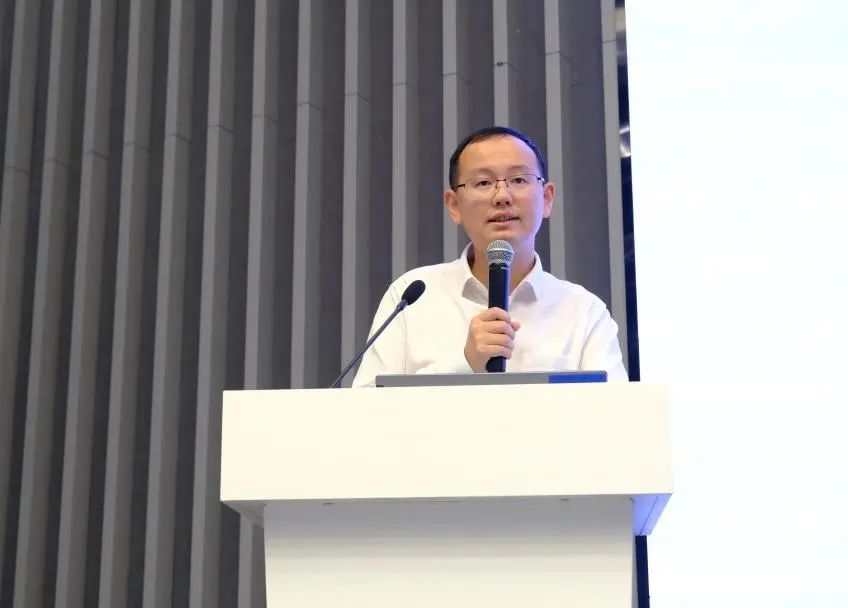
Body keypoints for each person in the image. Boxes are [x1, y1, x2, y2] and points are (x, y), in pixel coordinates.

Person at [352, 126, 627, 387]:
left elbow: (615, 412)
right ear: (454, 205)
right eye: (483, 182)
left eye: (518, 180)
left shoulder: (583, 311)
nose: (502, 196)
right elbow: (365, 408)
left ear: (546, 199)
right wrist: (465, 364)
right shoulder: (411, 297)